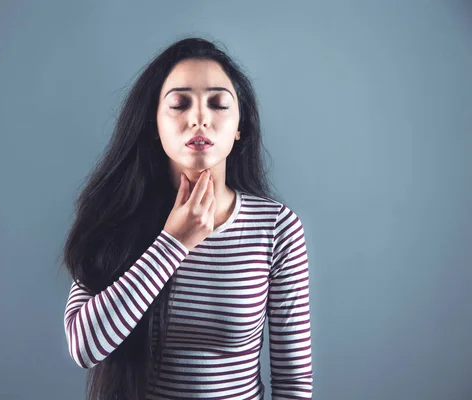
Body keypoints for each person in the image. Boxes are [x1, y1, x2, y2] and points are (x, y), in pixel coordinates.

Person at [61, 36, 313, 400]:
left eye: (218, 104)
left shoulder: (276, 228)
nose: (199, 118)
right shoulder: (116, 215)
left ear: (239, 126)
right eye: (179, 104)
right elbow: (84, 346)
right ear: (154, 125)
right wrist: (174, 243)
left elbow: (294, 385)